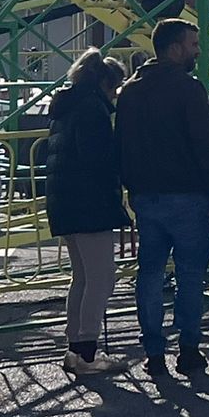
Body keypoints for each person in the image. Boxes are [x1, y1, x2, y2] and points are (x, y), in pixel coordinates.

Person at [117, 20, 209, 378]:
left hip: (146, 194)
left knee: (149, 274)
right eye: (193, 44)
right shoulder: (188, 88)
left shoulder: (130, 90)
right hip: (188, 192)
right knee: (191, 275)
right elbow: (204, 143)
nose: (197, 50)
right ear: (176, 48)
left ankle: (154, 351)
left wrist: (132, 186)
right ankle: (189, 348)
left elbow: (123, 145)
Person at [45, 49, 129, 375]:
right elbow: (99, 162)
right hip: (89, 204)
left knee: (81, 277)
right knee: (101, 278)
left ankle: (74, 348)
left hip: (65, 201)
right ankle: (89, 350)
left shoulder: (66, 107)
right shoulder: (93, 110)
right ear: (107, 83)